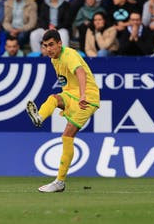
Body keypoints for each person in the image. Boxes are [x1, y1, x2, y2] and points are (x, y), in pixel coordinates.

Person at [26, 29, 100, 193]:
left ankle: (59, 182)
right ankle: (39, 118)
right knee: (54, 98)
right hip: (70, 94)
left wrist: (82, 95)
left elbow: (80, 73)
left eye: (51, 45)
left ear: (60, 43)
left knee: (67, 136)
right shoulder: (54, 60)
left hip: (87, 98)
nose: (48, 49)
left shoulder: (69, 55)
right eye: (45, 46)